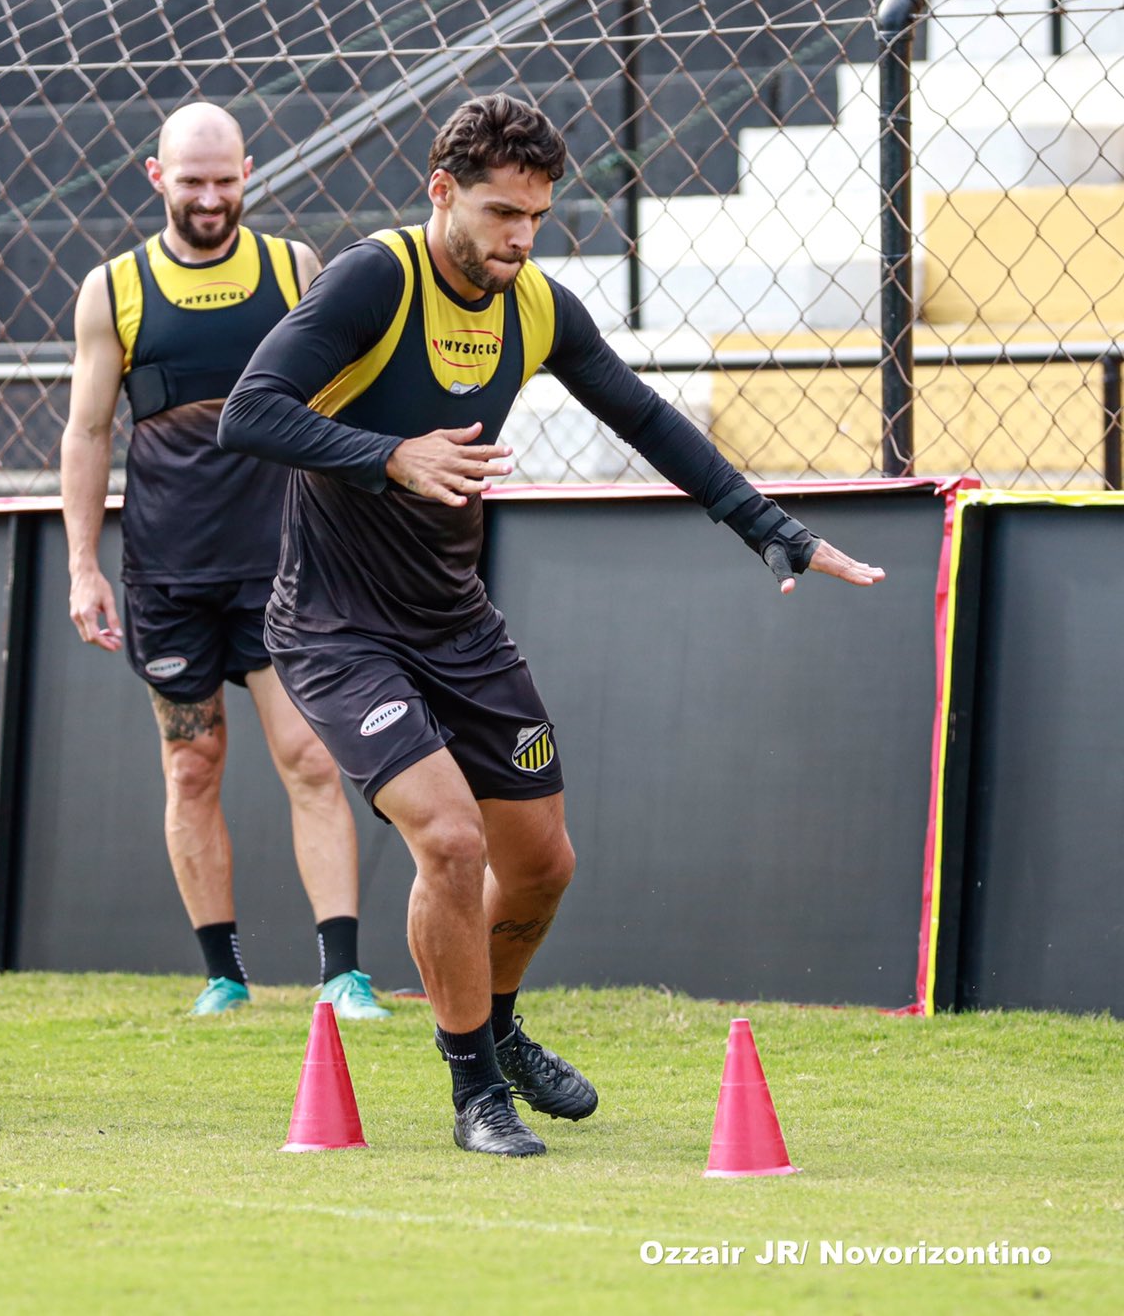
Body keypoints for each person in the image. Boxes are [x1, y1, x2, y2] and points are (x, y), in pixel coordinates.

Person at [219, 95, 885, 1155]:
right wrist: (389, 456)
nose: (519, 237)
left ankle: (496, 1017)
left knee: (539, 865)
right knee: (446, 837)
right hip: (337, 629)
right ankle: (474, 1091)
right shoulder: (371, 281)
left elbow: (645, 417)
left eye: (534, 214)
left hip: (456, 625)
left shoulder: (532, 304)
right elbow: (248, 411)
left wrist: (769, 528)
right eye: (497, 212)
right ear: (440, 192)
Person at [61, 103, 387, 1020]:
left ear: (250, 169)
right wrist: (83, 566)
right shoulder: (114, 288)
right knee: (191, 765)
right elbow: (87, 434)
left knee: (313, 760)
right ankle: (224, 976)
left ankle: (343, 976)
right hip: (167, 575)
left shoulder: (295, 269)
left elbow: (346, 404)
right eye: (192, 181)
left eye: (226, 179)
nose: (210, 197)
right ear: (157, 176)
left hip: (285, 567)